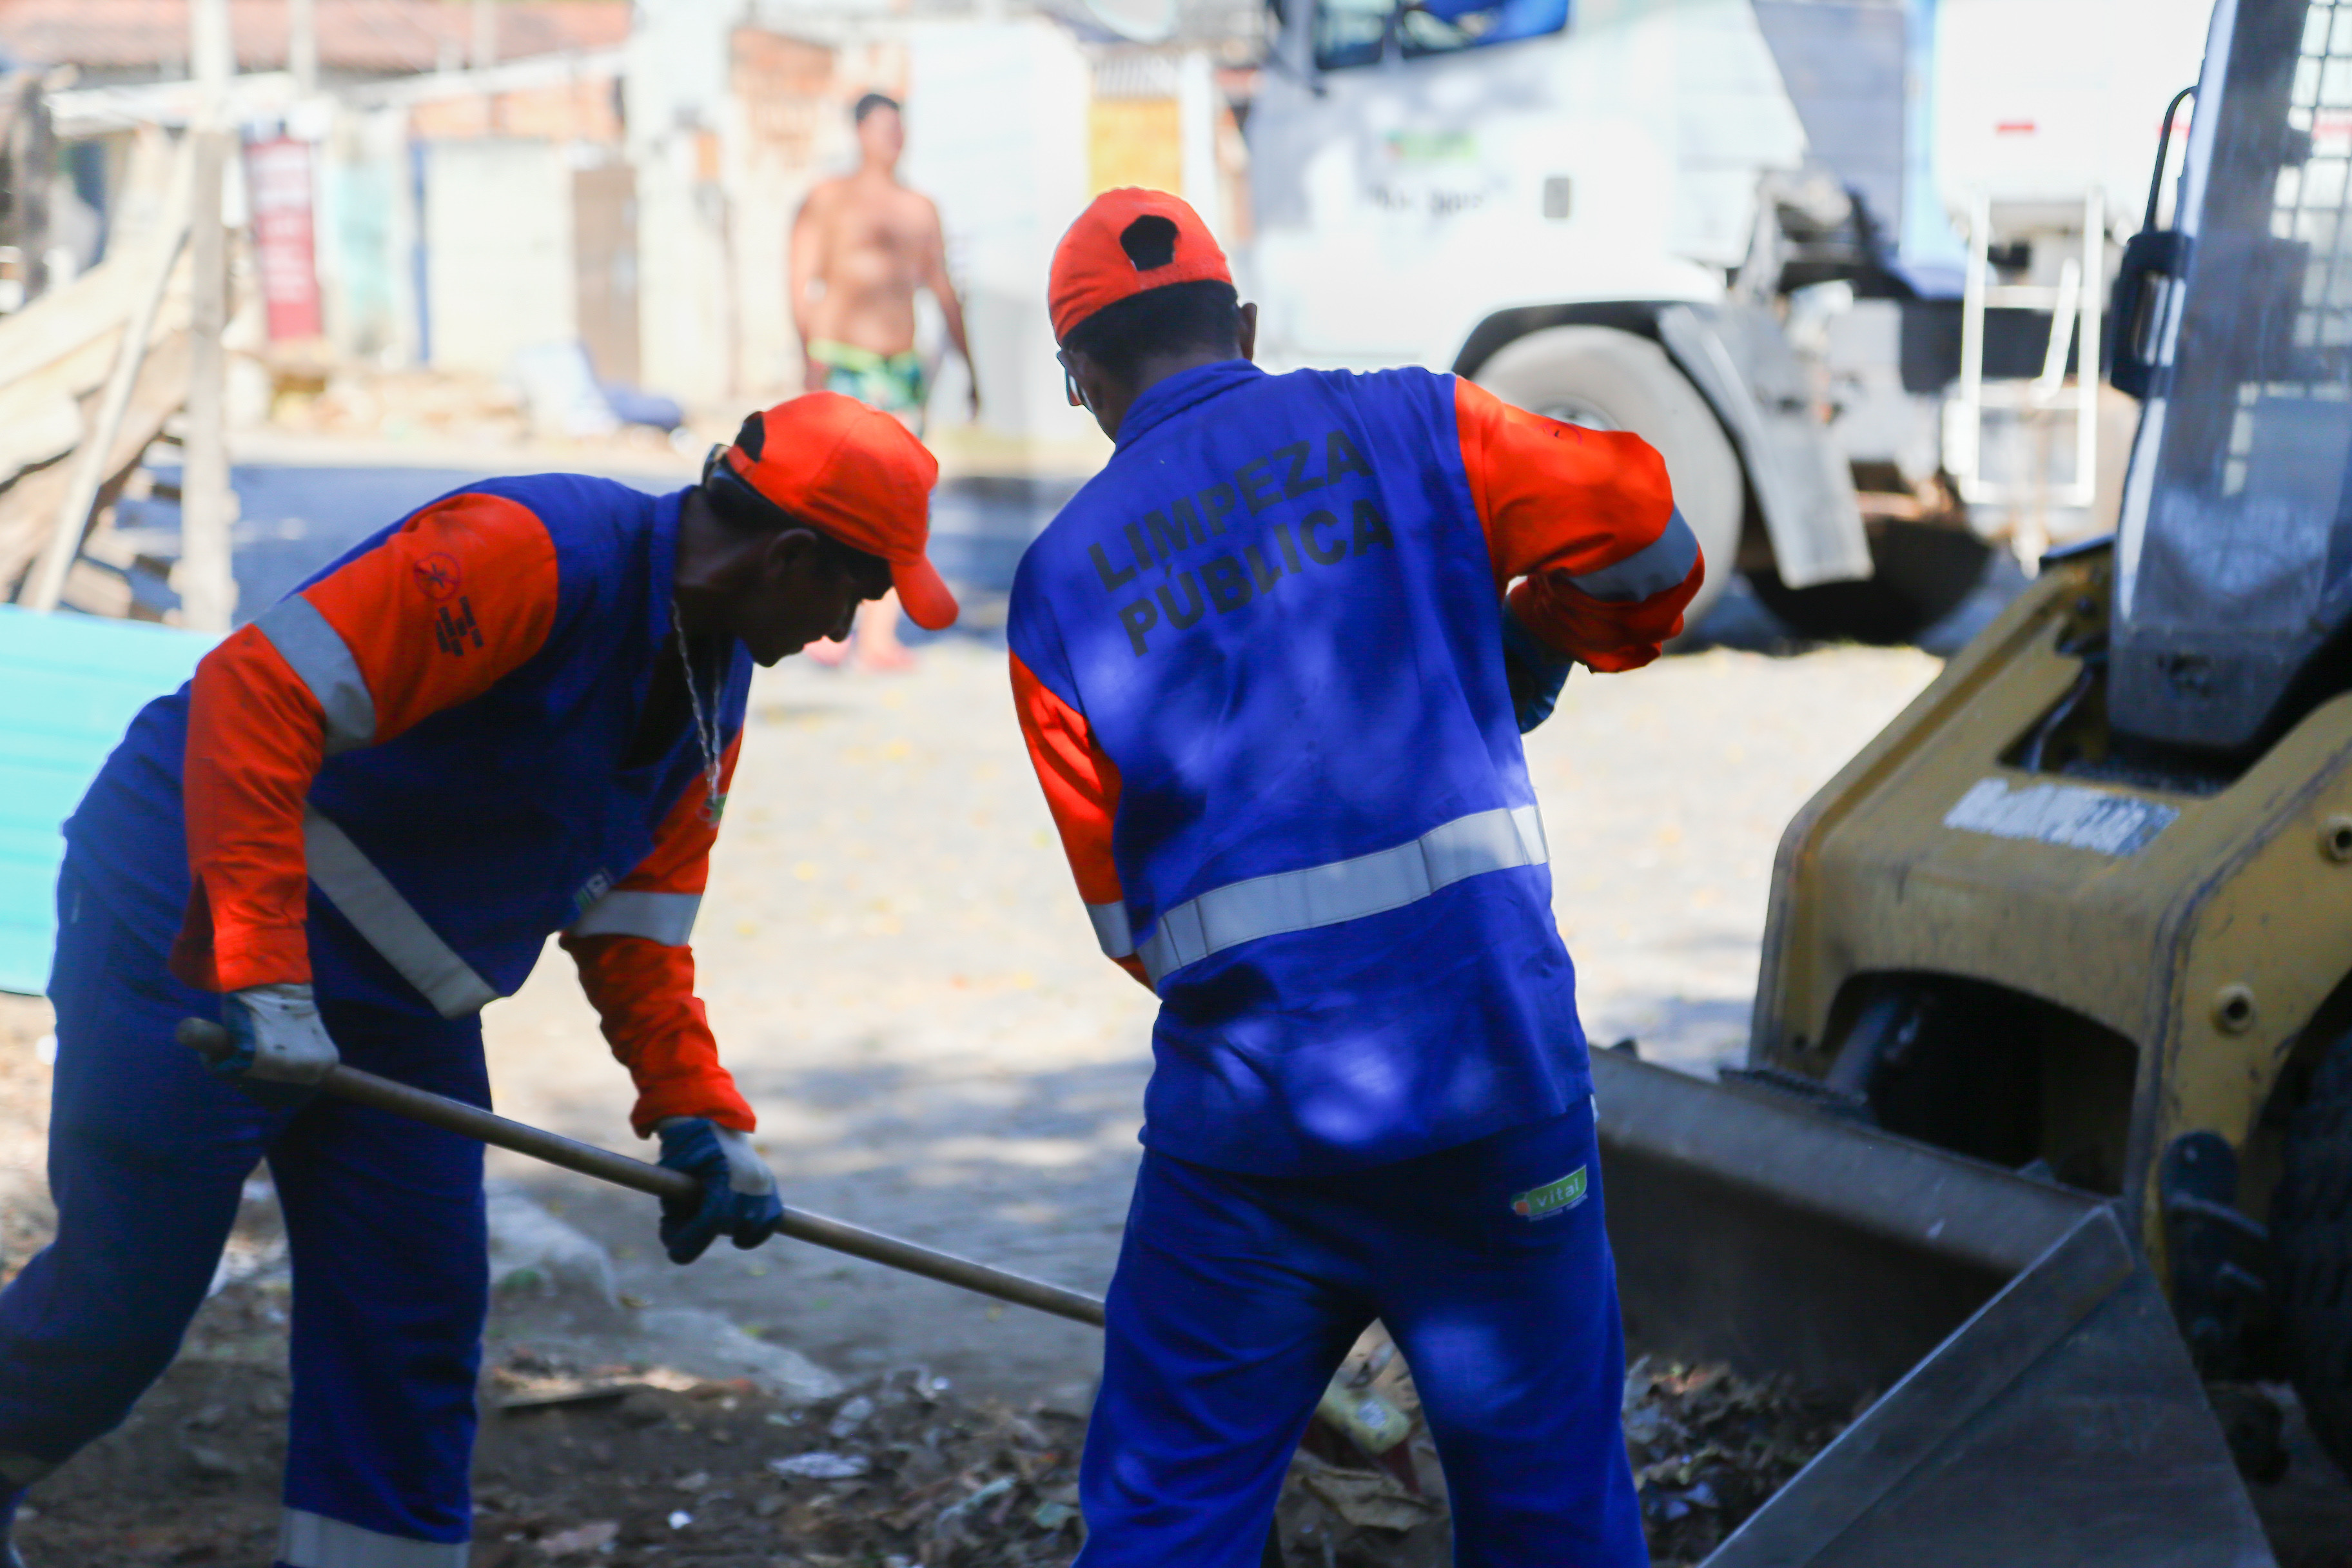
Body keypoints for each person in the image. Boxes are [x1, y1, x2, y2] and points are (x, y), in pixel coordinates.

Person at [0, 393, 958, 1567]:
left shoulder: (714, 685)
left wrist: (698, 1112)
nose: (841, 629)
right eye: (853, 594)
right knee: (119, 1308)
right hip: (187, 906)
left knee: (413, 1323)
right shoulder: (526, 551)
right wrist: (262, 967)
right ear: (788, 555)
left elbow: (636, 925)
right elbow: (257, 697)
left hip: (395, 995)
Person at [1006, 189, 1701, 1567]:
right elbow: (1645, 532)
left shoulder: (1056, 583)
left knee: (1162, 1525)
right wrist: (1545, 637)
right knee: (1553, 1520)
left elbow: (1125, 922)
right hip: (1490, 1092)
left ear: (1080, 381)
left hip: (1247, 1148)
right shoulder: (1414, 421)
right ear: (1246, 325)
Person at [790, 90, 976, 672]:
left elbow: (942, 288)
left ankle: (879, 637)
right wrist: (808, 360)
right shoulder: (828, 199)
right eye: (882, 127)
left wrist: (973, 367)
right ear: (859, 132)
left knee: (900, 505)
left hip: (902, 373)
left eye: (900, 127)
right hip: (842, 363)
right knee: (833, 501)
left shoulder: (920, 208)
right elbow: (799, 281)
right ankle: (827, 625)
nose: (892, 138)